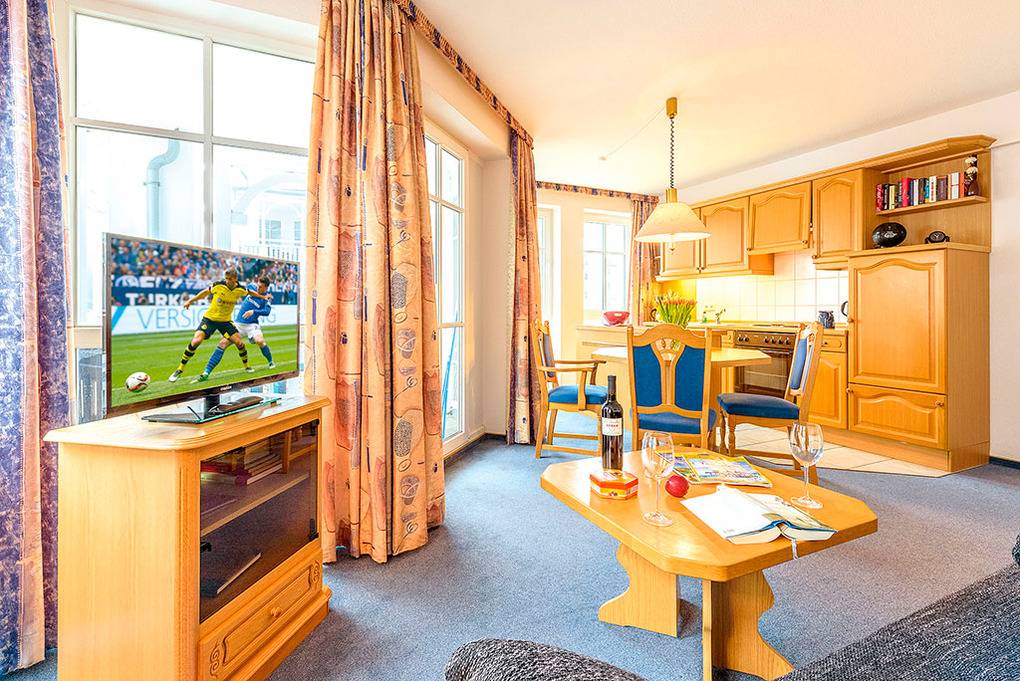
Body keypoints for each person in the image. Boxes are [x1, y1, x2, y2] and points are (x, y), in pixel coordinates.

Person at [167, 269, 270, 383]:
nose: (227, 281)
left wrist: (263, 298)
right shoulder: (218, 285)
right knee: (196, 341)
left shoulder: (240, 289)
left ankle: (247, 366)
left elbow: (250, 292)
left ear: (235, 279)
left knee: (240, 343)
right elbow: (205, 293)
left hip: (225, 322)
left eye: (230, 279)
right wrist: (191, 301)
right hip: (210, 319)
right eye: (226, 278)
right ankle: (180, 369)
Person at [192, 276, 276, 383]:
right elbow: (237, 286)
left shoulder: (267, 298)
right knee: (222, 343)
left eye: (261, 287)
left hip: (252, 325)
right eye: (258, 285)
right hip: (238, 325)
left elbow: (267, 312)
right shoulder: (251, 287)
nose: (258, 288)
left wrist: (253, 312)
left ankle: (271, 362)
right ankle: (206, 372)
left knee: (260, 341)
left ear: (266, 287)